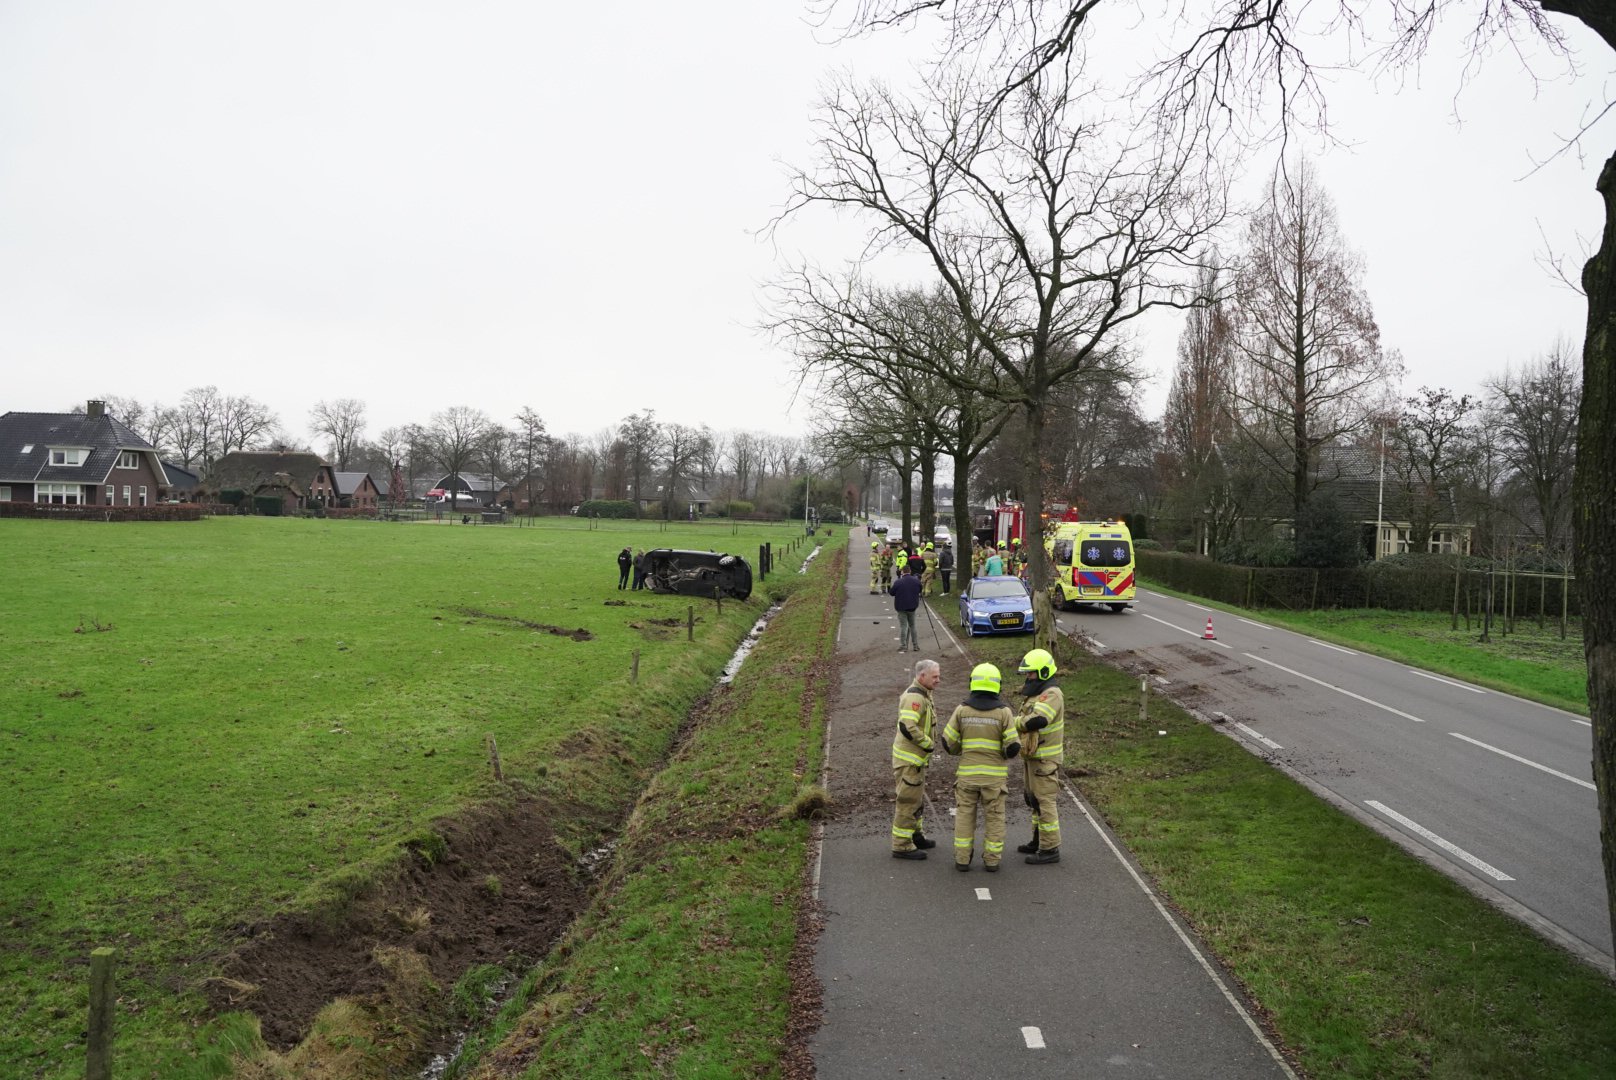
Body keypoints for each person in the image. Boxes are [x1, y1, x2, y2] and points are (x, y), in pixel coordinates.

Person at [941, 663, 1019, 871]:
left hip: (967, 777)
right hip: (994, 779)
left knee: (965, 815)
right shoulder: (1004, 713)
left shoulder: (962, 710)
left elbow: (947, 742)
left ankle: (962, 859)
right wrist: (1000, 754)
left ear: (972, 683)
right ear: (998, 685)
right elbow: (1013, 746)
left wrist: (961, 750)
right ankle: (992, 860)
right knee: (994, 818)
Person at [1014, 648, 1065, 865]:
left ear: (1043, 672)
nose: (1028, 677)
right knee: (1033, 800)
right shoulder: (1036, 694)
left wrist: (1012, 723)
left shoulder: (1051, 693)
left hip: (1045, 759)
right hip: (1033, 757)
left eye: (1031, 673)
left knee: (1045, 802)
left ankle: (1050, 848)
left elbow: (1038, 720)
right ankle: (1038, 840)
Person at [890, 659, 942, 859]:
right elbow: (907, 726)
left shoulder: (923, 693)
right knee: (908, 801)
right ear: (922, 676)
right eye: (935, 676)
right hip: (909, 761)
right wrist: (927, 743)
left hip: (916, 761)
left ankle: (915, 835)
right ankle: (902, 845)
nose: (938, 680)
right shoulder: (915, 697)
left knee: (916, 799)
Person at [888, 560, 922, 652]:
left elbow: (891, 593)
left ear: (902, 572)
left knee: (904, 626)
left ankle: (903, 645)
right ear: (910, 571)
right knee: (913, 626)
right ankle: (915, 645)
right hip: (912, 606)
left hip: (901, 606)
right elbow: (920, 590)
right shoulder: (916, 581)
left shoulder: (898, 582)